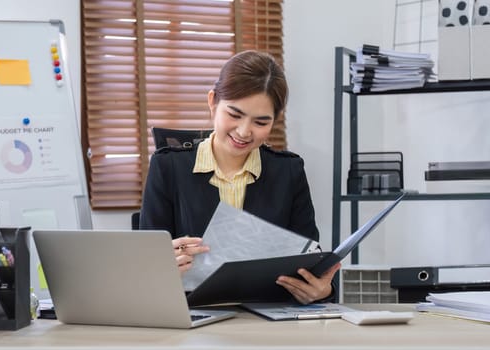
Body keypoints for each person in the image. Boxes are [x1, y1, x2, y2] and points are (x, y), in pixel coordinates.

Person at [139, 50, 340, 304]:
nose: (244, 132)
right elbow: (145, 270)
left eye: (261, 122)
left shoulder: (288, 172)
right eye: (234, 115)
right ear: (212, 101)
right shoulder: (167, 167)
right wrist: (162, 265)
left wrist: (324, 290)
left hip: (269, 317)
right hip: (191, 316)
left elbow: (309, 262)